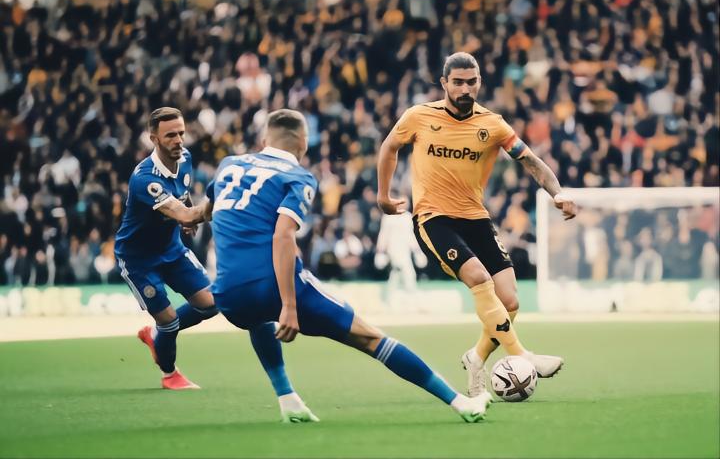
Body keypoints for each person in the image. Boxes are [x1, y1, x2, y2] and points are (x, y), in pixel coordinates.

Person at [205, 109, 492, 423]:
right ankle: (460, 403)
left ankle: (288, 399)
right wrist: (289, 304)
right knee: (370, 338)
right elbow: (283, 235)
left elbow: (202, 212)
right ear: (303, 141)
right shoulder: (298, 177)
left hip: (228, 294)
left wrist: (177, 212)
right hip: (274, 285)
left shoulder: (230, 165)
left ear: (264, 138)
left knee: (257, 320)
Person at [377, 52, 578, 398]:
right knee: (480, 279)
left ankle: (477, 357)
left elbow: (531, 161)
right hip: (434, 218)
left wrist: (557, 193)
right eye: (458, 82)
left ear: (479, 83)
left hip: (476, 218)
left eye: (471, 82)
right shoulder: (419, 116)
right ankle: (522, 355)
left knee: (510, 302)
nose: (465, 89)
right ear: (444, 83)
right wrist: (383, 195)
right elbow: (389, 147)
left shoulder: (493, 125)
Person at [114, 107, 218, 390]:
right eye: (170, 135)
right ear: (154, 139)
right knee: (169, 320)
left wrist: (187, 216)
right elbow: (185, 213)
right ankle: (170, 374)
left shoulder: (185, 159)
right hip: (138, 260)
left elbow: (183, 198)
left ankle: (156, 335)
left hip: (171, 249)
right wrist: (217, 201)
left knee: (212, 304)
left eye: (181, 133)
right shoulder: (144, 179)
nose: (178, 140)